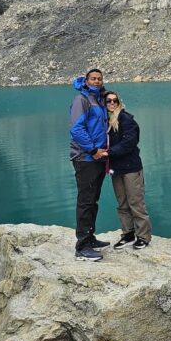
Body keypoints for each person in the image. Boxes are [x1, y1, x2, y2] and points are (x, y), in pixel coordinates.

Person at [69, 69, 111, 261]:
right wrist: (93, 150)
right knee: (86, 201)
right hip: (85, 158)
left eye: (99, 79)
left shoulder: (100, 99)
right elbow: (76, 129)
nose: (97, 81)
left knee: (93, 200)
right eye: (93, 78)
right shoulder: (82, 100)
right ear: (86, 81)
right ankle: (82, 247)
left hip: (98, 158)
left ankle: (90, 237)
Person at [104, 91, 152, 251]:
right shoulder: (107, 121)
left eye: (114, 100)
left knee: (136, 203)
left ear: (119, 102)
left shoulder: (126, 119)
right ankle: (128, 234)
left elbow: (129, 143)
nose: (111, 103)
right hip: (116, 169)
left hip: (131, 168)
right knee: (122, 203)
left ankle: (143, 237)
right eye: (108, 101)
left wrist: (108, 153)